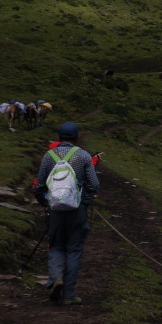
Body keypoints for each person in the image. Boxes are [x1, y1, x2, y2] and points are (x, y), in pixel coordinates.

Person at [32, 122, 100, 306]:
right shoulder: (84, 156)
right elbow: (94, 185)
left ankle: (55, 278)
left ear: (59, 137)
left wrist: (45, 202)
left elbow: (39, 186)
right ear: (76, 138)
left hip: (55, 209)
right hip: (78, 209)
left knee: (55, 246)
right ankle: (69, 295)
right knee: (75, 249)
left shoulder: (49, 156)